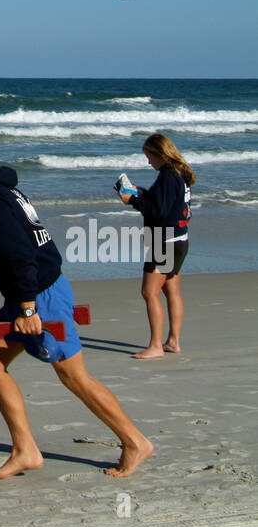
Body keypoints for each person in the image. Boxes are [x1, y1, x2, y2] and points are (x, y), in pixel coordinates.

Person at [0, 127, 153, 479]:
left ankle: (135, 441)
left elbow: (20, 252)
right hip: (29, 292)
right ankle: (25, 450)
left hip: (38, 295)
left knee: (74, 376)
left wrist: (28, 308)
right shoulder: (0, 188)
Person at [117, 133, 194, 359]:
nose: (148, 162)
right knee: (171, 291)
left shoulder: (169, 175)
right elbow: (167, 203)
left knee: (149, 292)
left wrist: (132, 200)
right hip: (179, 239)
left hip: (165, 242)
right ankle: (172, 341)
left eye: (149, 156)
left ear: (160, 154)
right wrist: (144, 193)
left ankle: (155, 346)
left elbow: (158, 211)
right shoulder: (181, 172)